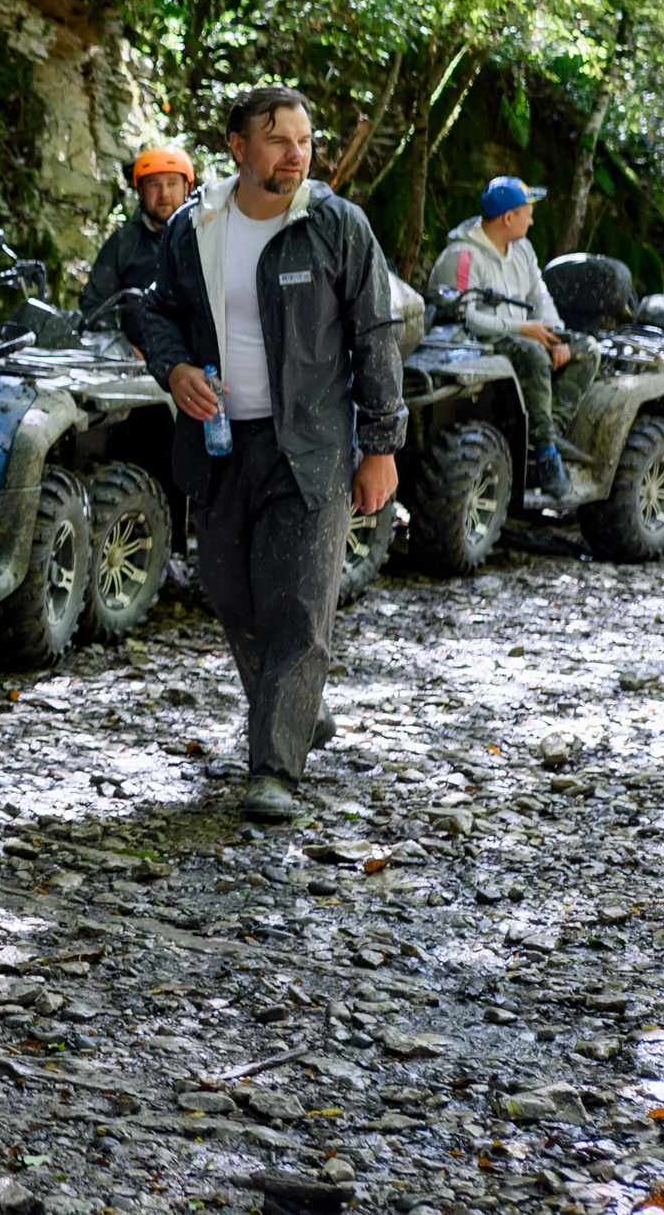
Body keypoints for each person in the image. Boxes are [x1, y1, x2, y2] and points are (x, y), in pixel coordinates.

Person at [133, 86, 406, 823]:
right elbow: (158, 309)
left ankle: (275, 771)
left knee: (296, 607)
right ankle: (295, 707)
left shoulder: (336, 226)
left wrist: (380, 445)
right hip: (222, 446)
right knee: (230, 592)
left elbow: (375, 335)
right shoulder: (195, 227)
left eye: (305, 139)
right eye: (278, 138)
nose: (296, 152)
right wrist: (175, 369)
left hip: (312, 446)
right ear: (238, 148)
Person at [431, 177, 598, 502]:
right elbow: (462, 316)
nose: (532, 220)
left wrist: (557, 334)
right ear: (509, 218)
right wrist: (523, 329)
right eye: (527, 213)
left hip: (524, 335)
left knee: (587, 349)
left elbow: (540, 295)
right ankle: (548, 456)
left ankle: (547, 432)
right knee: (534, 354)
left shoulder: (522, 248)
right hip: (478, 343)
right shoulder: (463, 255)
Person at [81, 146, 195, 337]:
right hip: (139, 358)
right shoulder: (124, 243)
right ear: (140, 190)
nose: (164, 194)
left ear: (186, 187)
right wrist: (123, 348)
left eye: (172, 183)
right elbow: (94, 305)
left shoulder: (203, 238)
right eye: (154, 185)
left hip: (196, 360)